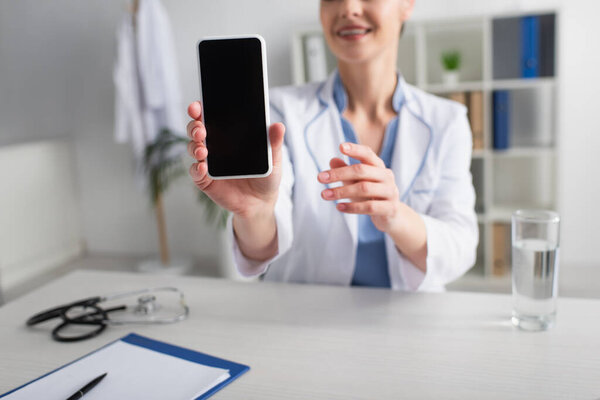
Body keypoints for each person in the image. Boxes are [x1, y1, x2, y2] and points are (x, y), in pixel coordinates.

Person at [186, 0, 478, 291]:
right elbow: (259, 252)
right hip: (305, 319)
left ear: (407, 5)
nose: (348, 8)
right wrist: (254, 213)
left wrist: (395, 215)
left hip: (407, 320)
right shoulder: (280, 112)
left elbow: (460, 250)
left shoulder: (447, 121)